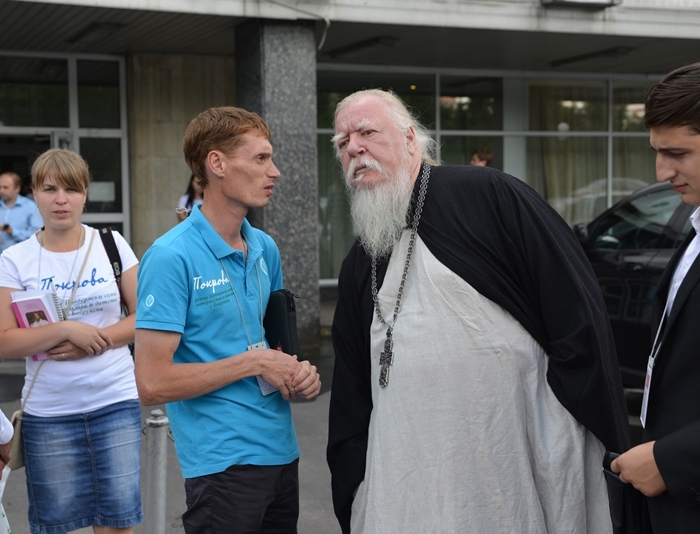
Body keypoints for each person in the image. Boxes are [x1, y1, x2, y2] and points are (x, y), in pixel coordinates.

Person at [326, 89, 630, 534]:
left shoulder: (487, 196)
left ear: (410, 139)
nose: (354, 148)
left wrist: (561, 422)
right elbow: (352, 383)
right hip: (406, 473)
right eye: (342, 142)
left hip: (507, 455)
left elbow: (573, 304)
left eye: (367, 132)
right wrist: (356, 477)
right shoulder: (362, 259)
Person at [135, 106, 322, 534]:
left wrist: (297, 373)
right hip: (222, 463)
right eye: (260, 158)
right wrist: (254, 363)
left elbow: (275, 348)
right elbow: (151, 383)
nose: (274, 171)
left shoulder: (265, 247)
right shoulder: (170, 256)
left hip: (281, 450)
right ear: (216, 164)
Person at [0, 148, 143, 534]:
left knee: (117, 524)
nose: (61, 200)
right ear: (34, 193)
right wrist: (65, 330)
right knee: (53, 526)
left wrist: (96, 341)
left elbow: (147, 316)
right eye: (50, 189)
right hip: (49, 412)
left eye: (71, 189)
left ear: (85, 194)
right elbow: (4, 342)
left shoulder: (111, 244)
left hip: (115, 402)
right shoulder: (14, 259)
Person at [610, 62, 700, 533]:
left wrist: (671, 460)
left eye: (677, 153)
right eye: (657, 152)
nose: (662, 172)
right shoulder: (694, 227)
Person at [0, 171, 43, 253]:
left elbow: (39, 234)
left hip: (21, 257)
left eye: (5, 187)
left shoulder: (31, 207)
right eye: (0, 187)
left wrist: (13, 232)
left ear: (17, 188)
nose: (1, 191)